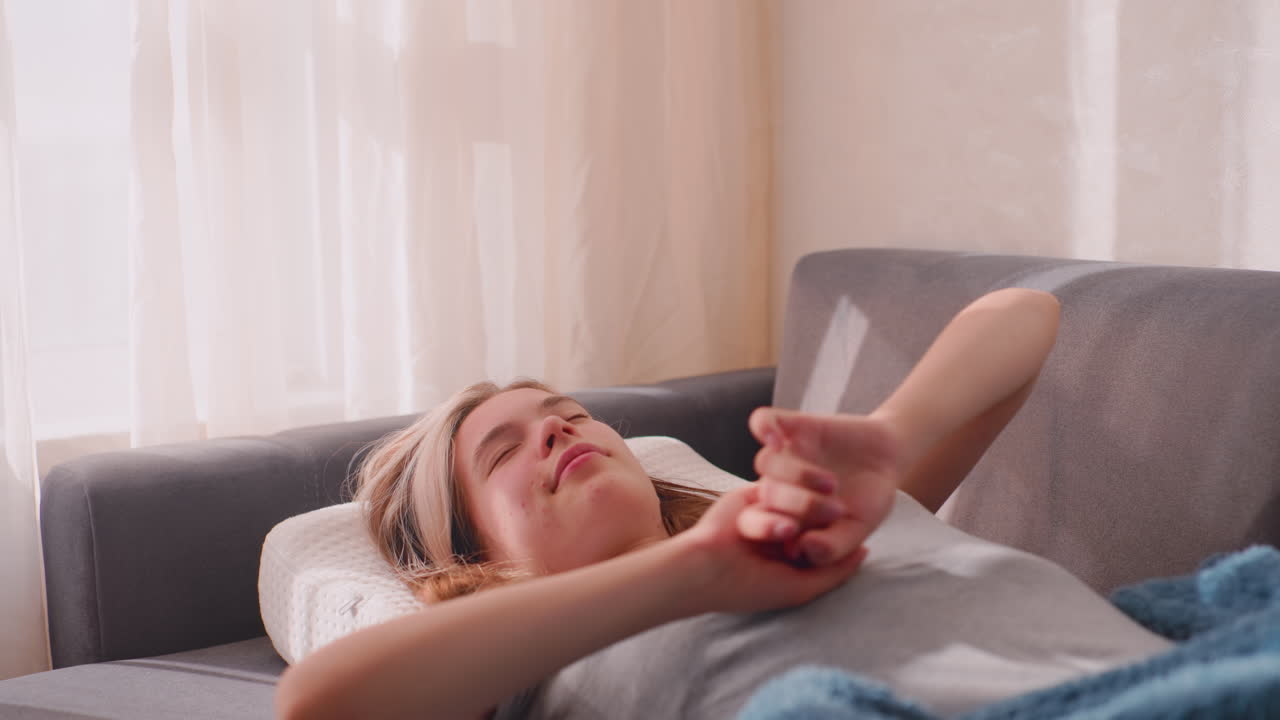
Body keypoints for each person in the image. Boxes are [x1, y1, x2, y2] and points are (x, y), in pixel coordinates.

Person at [274, 288, 1173, 720]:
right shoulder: (530, 658)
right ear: (474, 553)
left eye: (570, 415)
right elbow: (319, 702)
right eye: (504, 452)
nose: (554, 431)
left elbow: (1023, 315)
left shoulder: (819, 513)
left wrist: (892, 437)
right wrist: (699, 570)